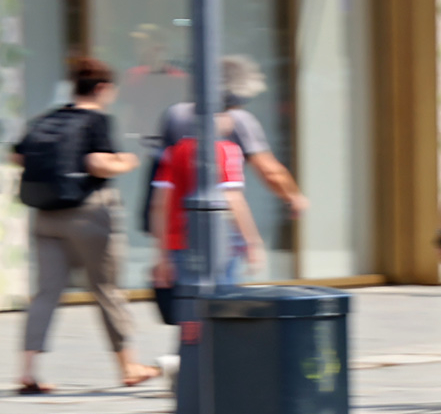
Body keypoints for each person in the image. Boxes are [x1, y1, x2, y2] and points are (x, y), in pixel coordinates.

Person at [15, 57, 152, 393]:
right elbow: (97, 163)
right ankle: (129, 365)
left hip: (46, 215)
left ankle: (29, 370)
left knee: (46, 293)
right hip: (88, 214)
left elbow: (18, 155)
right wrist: (126, 162)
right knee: (106, 289)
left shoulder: (48, 118)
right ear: (103, 88)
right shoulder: (96, 120)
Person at [156, 54, 308, 222]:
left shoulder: (176, 114)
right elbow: (269, 171)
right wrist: (294, 197)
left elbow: (163, 178)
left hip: (177, 218)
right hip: (221, 217)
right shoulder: (239, 120)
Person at [150, 111, 264, 305]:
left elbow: (159, 205)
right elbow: (234, 200)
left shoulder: (174, 152)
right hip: (220, 245)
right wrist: (252, 242)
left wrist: (161, 254)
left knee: (189, 310)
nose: (232, 120)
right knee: (221, 309)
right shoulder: (226, 150)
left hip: (179, 244)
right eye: (226, 114)